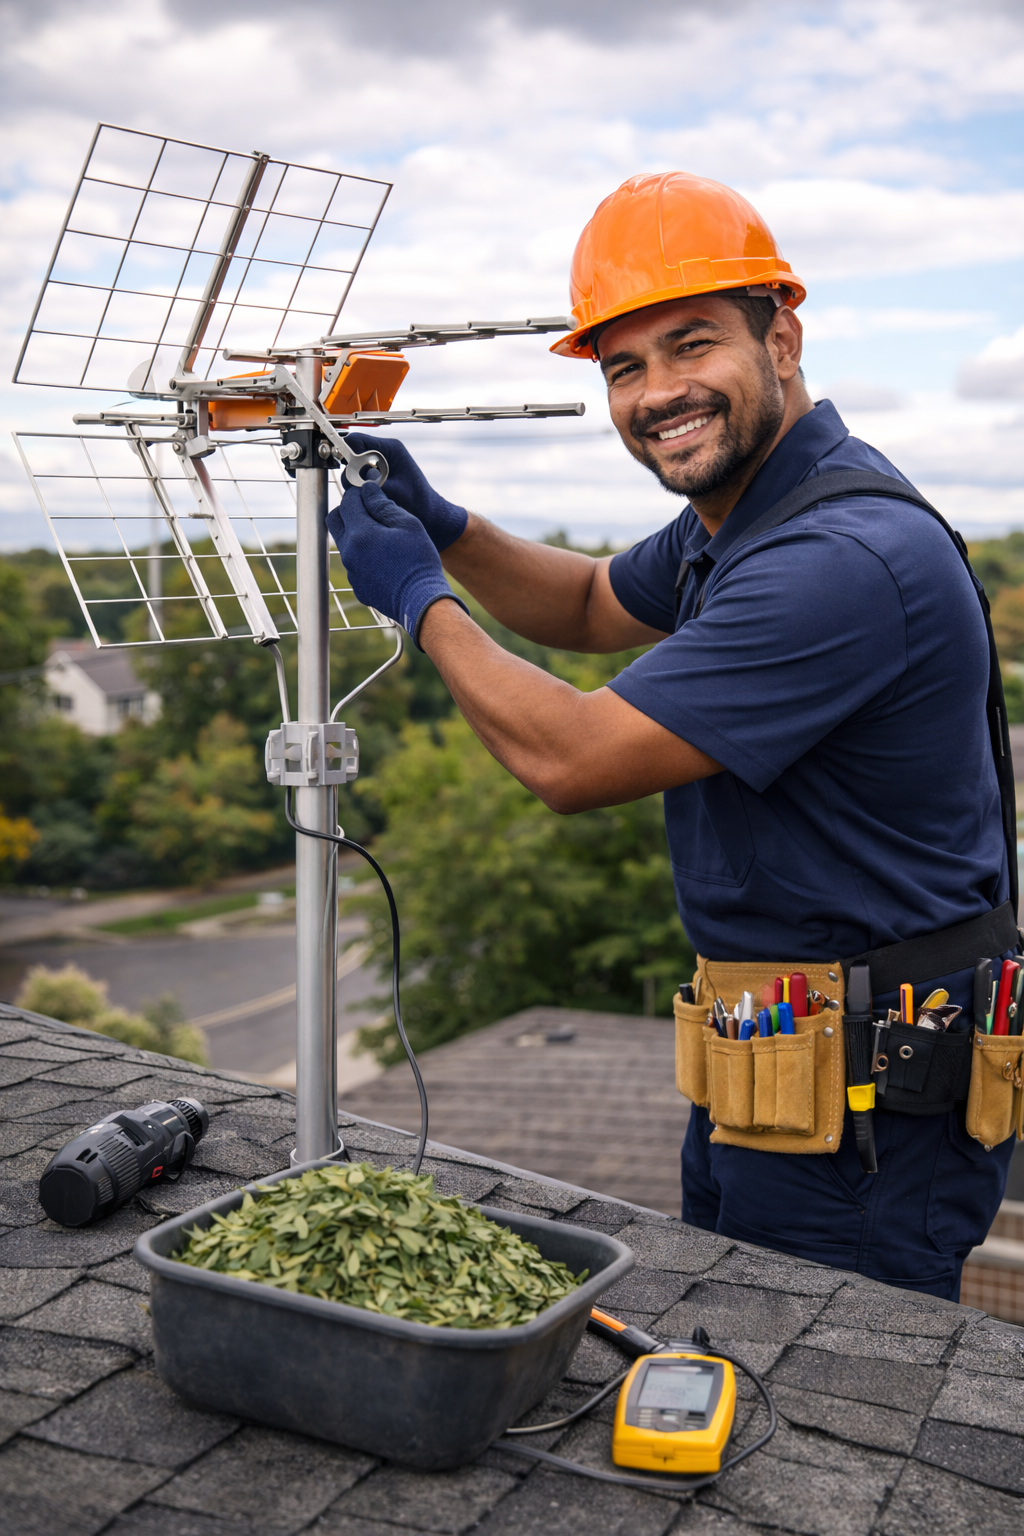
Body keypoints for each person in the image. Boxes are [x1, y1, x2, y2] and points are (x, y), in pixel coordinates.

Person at [327, 171, 1017, 1301]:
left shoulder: (836, 562)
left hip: (864, 1123)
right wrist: (448, 530)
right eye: (623, 366)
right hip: (774, 1079)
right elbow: (589, 602)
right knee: (735, 1361)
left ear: (781, 338)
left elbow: (571, 758)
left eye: (692, 345)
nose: (658, 392)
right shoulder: (744, 515)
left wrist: (416, 597)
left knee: (826, 1389)